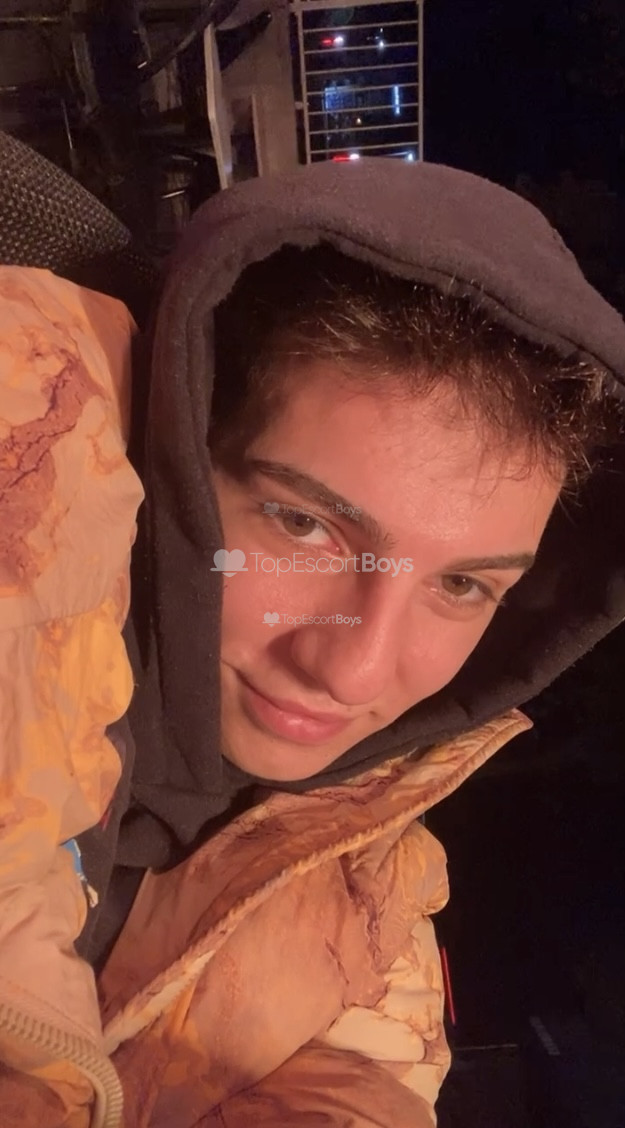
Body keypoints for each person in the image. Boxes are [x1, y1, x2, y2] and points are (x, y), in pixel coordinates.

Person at [1, 159, 625, 1127]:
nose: (354, 669)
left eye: (461, 586)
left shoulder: (366, 929)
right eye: (304, 525)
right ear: (180, 451)